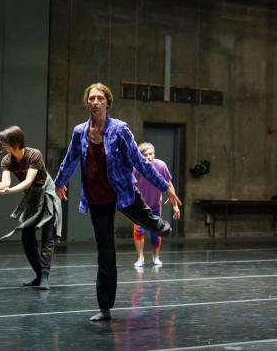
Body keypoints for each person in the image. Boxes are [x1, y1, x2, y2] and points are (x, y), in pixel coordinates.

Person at [54, 82, 182, 322]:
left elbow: (140, 163)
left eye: (99, 98)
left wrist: (166, 187)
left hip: (123, 191)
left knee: (148, 221)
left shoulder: (120, 129)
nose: (94, 101)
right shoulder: (80, 131)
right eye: (91, 98)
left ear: (107, 102)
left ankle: (159, 226)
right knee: (105, 253)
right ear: (87, 102)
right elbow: (69, 159)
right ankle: (105, 307)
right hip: (97, 198)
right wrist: (58, 183)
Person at [0, 126, 61, 290]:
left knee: (48, 238)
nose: (3, 147)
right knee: (27, 239)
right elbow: (6, 182)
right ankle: (38, 274)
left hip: (46, 194)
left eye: (5, 143)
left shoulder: (34, 155)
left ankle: (44, 277)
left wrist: (8, 191)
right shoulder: (7, 160)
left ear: (17, 142)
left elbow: (28, 181)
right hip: (32, 197)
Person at [132, 142, 180, 267]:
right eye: (146, 154)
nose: (149, 157)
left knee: (156, 232)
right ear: (141, 156)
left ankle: (156, 257)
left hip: (155, 206)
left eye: (151, 154)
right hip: (140, 207)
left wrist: (175, 206)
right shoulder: (136, 167)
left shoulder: (161, 165)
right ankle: (140, 258)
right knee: (139, 231)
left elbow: (169, 185)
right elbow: (131, 185)